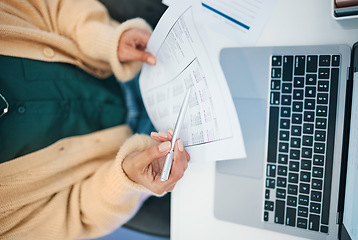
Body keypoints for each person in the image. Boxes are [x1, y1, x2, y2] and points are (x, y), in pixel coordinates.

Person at [0, 0, 190, 239]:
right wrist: (127, 178)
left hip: (128, 52)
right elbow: (78, 216)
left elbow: (49, 7)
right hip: (133, 165)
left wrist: (108, 40)